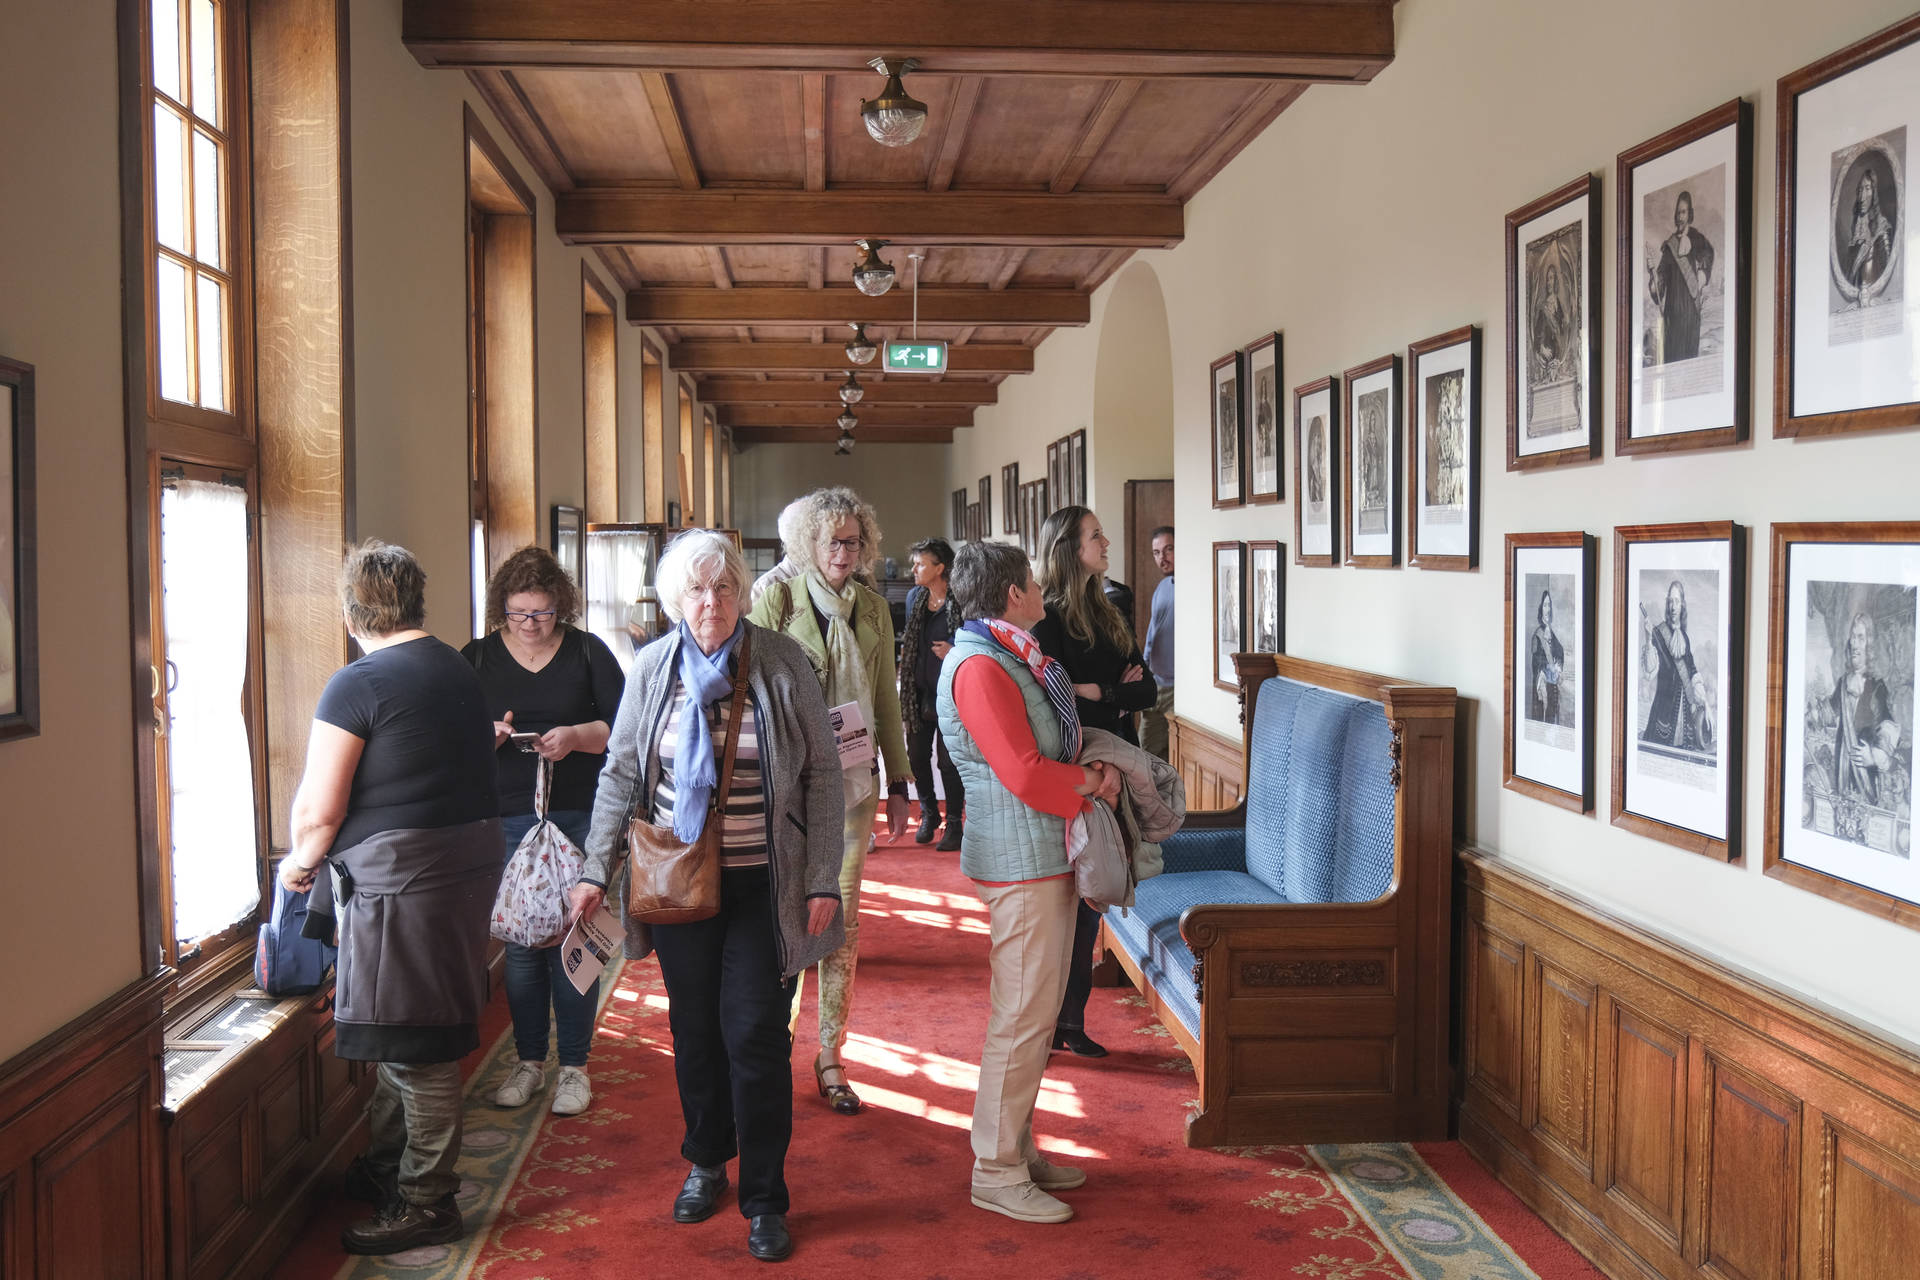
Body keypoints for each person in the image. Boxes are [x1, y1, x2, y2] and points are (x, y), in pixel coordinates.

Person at [579, 529, 845, 1263]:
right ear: (673, 600)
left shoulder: (785, 662)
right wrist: (592, 870)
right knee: (694, 1031)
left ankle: (764, 1195)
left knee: (755, 1036)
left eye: (724, 587)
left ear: (743, 593)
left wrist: (824, 876)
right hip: (676, 887)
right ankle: (706, 1159)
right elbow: (620, 775)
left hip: (766, 883)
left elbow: (824, 776)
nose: (711, 602)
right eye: (696, 589)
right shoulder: (653, 668)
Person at [276, 542, 500, 1255]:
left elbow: (320, 807)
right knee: (408, 1029)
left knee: (416, 1047)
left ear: (350, 611)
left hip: (404, 881)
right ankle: (385, 1168)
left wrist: (298, 866)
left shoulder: (359, 682)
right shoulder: (455, 666)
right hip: (463, 868)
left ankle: (426, 1202)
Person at [938, 540, 1121, 1224]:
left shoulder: (1007, 653)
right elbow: (1021, 772)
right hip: (1022, 860)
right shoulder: (982, 665)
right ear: (1012, 593)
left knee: (1035, 1012)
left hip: (1041, 849)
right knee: (1021, 1017)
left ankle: (1018, 1144)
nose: (1043, 591)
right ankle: (996, 1167)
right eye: (1034, 584)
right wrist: (1094, 783)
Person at [748, 487, 911, 1116]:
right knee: (786, 916)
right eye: (831, 541)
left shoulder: (872, 608)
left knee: (841, 921)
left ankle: (831, 1055)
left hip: (852, 785)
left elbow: (887, 702)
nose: (843, 552)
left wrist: (899, 782)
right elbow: (751, 691)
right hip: (786, 788)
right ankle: (776, 1041)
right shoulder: (777, 599)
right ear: (808, 545)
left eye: (852, 541)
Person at [463, 547, 626, 1117]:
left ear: (562, 608)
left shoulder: (587, 651)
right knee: (522, 947)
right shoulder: (477, 659)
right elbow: (450, 739)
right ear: (500, 610)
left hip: (579, 813)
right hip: (506, 817)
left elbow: (624, 730)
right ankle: (529, 1061)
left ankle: (575, 1068)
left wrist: (577, 736)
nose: (531, 625)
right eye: (518, 614)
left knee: (575, 943)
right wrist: (487, 736)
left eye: (543, 614)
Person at [1031, 505, 1157, 1059]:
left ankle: (1071, 1020)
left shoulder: (1112, 610)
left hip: (1116, 768)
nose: (1106, 542)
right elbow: (1053, 701)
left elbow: (1146, 690)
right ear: (1068, 547)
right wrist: (1110, 689)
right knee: (1065, 897)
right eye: (1095, 535)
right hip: (1076, 769)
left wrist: (1100, 691)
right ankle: (1052, 1019)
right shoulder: (1048, 619)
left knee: (1093, 894)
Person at [898, 536, 966, 850]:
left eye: (921, 563)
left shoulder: (961, 599)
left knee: (949, 762)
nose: (914, 568)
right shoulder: (914, 597)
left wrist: (955, 650)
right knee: (916, 759)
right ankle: (928, 813)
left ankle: (954, 823)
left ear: (940, 568)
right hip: (918, 694)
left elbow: (977, 642)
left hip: (953, 695)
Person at [1828, 611, 1900, 805]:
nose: (1854, 644)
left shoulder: (1877, 686)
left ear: (1870, 644)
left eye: (1861, 637)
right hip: (1842, 770)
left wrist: (1874, 756)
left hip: (1865, 775)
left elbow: (1888, 725)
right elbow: (1829, 713)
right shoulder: (1843, 683)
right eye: (1853, 637)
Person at [1639, 579, 1711, 752]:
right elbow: (1649, 670)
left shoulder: (1685, 638)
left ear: (1682, 605)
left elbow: (1692, 670)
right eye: (1670, 601)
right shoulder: (1658, 633)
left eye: (1676, 601)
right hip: (1663, 715)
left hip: (1684, 715)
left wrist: (1705, 703)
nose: (1673, 606)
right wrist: (1648, 639)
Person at [1646, 189, 1714, 363]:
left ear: (1689, 214)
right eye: (1677, 213)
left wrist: (1700, 276)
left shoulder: (1696, 237)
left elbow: (1708, 254)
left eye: (1683, 212)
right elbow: (1661, 277)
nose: (1679, 217)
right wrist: (1654, 276)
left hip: (1690, 311)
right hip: (1672, 315)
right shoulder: (1670, 246)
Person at [1139, 527, 1176, 761]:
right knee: (1146, 757)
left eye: (1169, 549)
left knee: (1174, 758)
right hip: (1154, 684)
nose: (1162, 558)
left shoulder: (1195, 588)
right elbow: (1153, 635)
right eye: (1156, 553)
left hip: (1178, 689)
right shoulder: (1162, 588)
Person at [1846, 169, 1896, 299]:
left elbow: (1889, 273)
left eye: (1867, 189)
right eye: (1860, 190)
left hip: (1876, 298)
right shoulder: (1856, 229)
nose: (1862, 198)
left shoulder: (1882, 227)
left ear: (1874, 192)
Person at [1528, 590, 1565, 725]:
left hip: (1552, 687)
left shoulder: (1551, 633)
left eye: (1549, 605)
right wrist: (1547, 669)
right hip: (1542, 690)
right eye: (1545, 605)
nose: (1548, 609)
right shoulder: (1537, 636)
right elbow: (1536, 664)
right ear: (1540, 608)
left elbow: (1560, 651)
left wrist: (1558, 668)